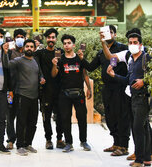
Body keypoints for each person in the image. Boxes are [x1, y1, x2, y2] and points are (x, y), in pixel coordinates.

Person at [79, 25, 131, 156]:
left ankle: (124, 146)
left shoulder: (123, 49)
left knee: (122, 116)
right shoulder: (102, 51)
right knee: (110, 116)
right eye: (104, 33)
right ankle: (116, 143)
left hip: (121, 88)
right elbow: (91, 67)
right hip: (107, 88)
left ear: (115, 34)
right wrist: (81, 59)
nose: (107, 35)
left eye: (110, 32)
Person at [105, 29, 151, 167]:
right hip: (132, 96)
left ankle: (140, 159)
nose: (132, 44)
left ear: (141, 44)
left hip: (143, 97)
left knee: (139, 128)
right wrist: (112, 72)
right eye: (130, 42)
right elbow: (113, 58)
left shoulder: (146, 57)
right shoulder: (129, 57)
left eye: (135, 42)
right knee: (141, 128)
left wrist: (144, 81)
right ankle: (146, 157)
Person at [4, 39, 46, 156]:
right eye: (27, 46)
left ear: (34, 48)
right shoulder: (19, 60)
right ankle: (20, 145)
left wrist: (41, 79)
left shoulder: (35, 60)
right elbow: (7, 64)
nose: (29, 48)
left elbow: (39, 73)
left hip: (34, 96)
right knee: (21, 122)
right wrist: (5, 52)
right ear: (24, 48)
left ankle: (28, 143)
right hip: (22, 95)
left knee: (32, 122)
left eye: (31, 46)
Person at [51, 34, 92, 152]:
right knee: (65, 118)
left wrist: (89, 88)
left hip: (78, 93)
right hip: (64, 94)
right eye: (64, 43)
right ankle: (68, 142)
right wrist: (54, 65)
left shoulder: (79, 58)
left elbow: (85, 73)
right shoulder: (60, 59)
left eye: (69, 43)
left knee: (82, 117)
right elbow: (53, 75)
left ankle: (83, 141)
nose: (66, 45)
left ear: (73, 45)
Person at [35, 28, 65, 149]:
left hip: (60, 90)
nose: (51, 39)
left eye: (53, 37)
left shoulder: (61, 52)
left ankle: (59, 139)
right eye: (49, 37)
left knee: (60, 116)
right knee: (46, 117)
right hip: (46, 90)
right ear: (46, 39)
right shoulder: (40, 53)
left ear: (56, 39)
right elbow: (33, 62)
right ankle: (48, 139)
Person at [5, 29, 27, 150]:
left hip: (24, 90)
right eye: (17, 37)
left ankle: (21, 140)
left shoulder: (29, 53)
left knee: (22, 116)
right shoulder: (10, 53)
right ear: (14, 39)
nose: (20, 39)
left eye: (22, 37)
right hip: (11, 89)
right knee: (10, 115)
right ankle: (11, 139)